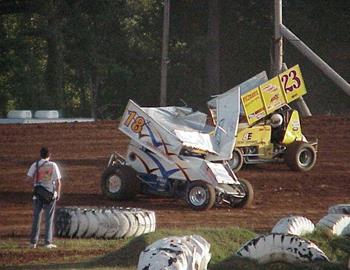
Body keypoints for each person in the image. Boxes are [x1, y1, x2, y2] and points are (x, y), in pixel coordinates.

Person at [25, 146, 61, 249]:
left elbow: (27, 179)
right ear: (49, 155)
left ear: (40, 155)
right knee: (49, 218)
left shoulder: (35, 165)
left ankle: (33, 243)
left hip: (37, 195)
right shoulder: (53, 165)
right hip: (50, 194)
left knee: (36, 218)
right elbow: (58, 181)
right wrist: (57, 193)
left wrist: (35, 186)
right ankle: (47, 242)